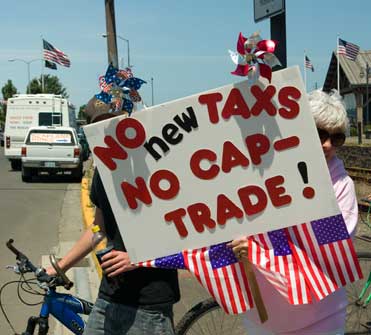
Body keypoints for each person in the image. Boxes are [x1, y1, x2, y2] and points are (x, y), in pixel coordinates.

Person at [228, 89, 358, 335]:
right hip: (265, 313)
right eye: (320, 133)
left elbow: (334, 242)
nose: (328, 144)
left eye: (337, 137)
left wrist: (256, 244)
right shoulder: (261, 173)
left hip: (321, 315)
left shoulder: (341, 185)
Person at [47, 97, 180, 335]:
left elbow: (184, 230)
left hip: (149, 304)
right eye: (101, 125)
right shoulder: (104, 171)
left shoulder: (161, 166)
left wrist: (139, 257)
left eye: (113, 121)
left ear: (129, 120)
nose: (109, 130)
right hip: (109, 297)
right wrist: (61, 266)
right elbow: (99, 229)